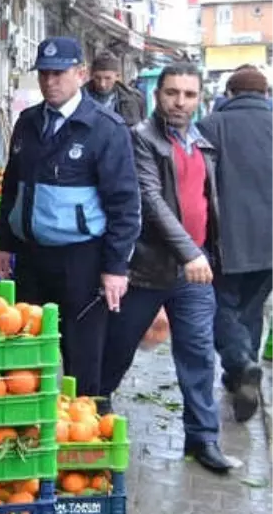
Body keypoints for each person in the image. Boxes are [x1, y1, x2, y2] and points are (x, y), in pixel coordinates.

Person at [99, 64, 236, 473]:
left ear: (199, 99)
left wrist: (210, 253)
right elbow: (151, 203)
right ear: (157, 95)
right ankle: (93, 422)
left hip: (194, 274)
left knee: (197, 355)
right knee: (117, 351)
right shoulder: (139, 139)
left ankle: (203, 438)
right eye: (173, 93)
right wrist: (190, 253)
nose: (180, 102)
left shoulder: (201, 142)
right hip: (145, 270)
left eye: (189, 95)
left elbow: (208, 204)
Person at [0, 37, 141, 401]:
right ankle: (29, 426)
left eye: (58, 73)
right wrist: (4, 242)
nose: (49, 82)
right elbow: (12, 187)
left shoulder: (106, 128)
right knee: (27, 349)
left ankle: (84, 428)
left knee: (81, 355)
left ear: (81, 74)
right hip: (30, 257)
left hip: (81, 260)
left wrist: (115, 267)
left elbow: (125, 204)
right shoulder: (28, 122)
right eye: (43, 74)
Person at [197, 65, 273, 422]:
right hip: (269, 245)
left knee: (220, 308)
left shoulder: (211, 126)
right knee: (252, 308)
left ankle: (241, 363)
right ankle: (240, 375)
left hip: (226, 240)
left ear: (230, 93)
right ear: (264, 94)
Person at [86, 50, 144, 125]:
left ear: (117, 76)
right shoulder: (79, 97)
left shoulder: (134, 99)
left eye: (107, 78)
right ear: (91, 75)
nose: (102, 84)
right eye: (97, 78)